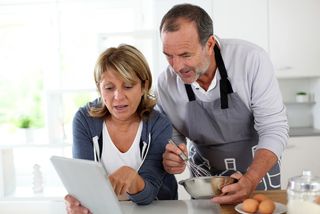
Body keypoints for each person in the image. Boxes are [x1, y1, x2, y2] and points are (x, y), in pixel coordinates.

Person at [156, 4, 289, 204]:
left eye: (185, 55)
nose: (176, 66)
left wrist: (251, 178)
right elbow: (173, 138)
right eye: (168, 55)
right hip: (205, 186)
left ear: (210, 44)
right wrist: (173, 157)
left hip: (258, 177)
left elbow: (274, 128)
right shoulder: (165, 83)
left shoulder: (251, 60)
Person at [65, 44, 178, 213]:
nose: (118, 97)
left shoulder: (159, 125)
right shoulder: (84, 120)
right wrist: (78, 204)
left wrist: (132, 178)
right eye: (109, 88)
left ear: (143, 86)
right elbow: (86, 186)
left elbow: (149, 194)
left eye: (128, 86)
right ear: (99, 88)